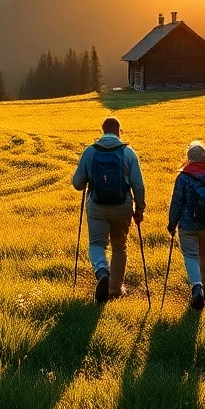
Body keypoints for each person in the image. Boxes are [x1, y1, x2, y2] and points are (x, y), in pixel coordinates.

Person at [72, 116, 146, 305]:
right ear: (119, 131)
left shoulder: (90, 151)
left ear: (102, 130)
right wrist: (139, 208)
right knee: (119, 246)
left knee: (97, 244)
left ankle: (102, 271)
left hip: (97, 206)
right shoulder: (128, 152)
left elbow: (77, 184)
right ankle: (115, 288)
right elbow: (138, 185)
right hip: (122, 206)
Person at [167, 140, 205, 311]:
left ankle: (196, 287)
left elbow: (177, 203)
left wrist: (172, 223)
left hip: (187, 225)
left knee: (191, 255)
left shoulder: (183, 177)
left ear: (189, 159)